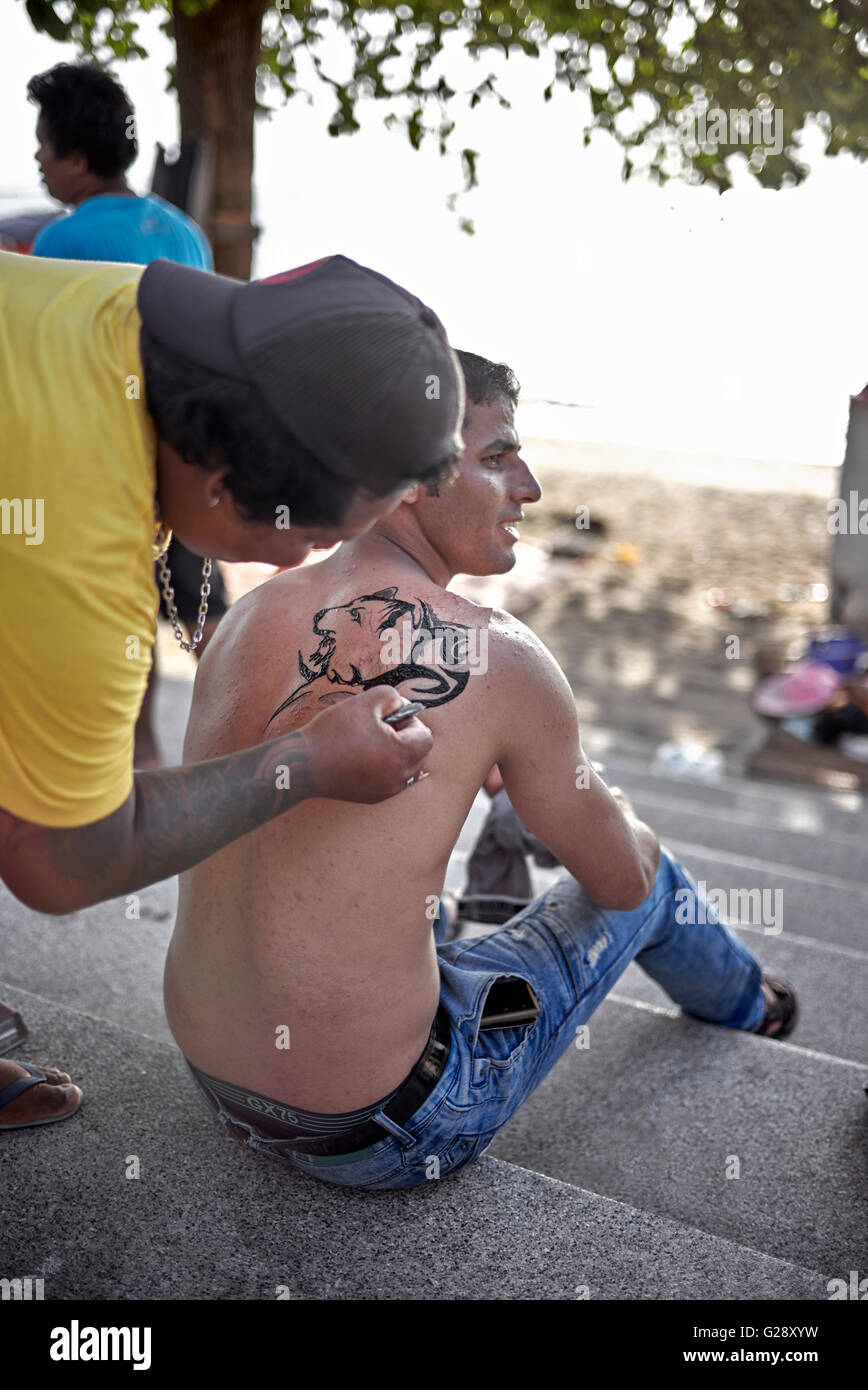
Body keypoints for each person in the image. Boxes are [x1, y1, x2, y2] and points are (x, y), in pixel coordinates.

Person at [163, 350, 797, 1189]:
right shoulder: (499, 656)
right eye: (497, 457)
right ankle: (756, 1008)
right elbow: (619, 882)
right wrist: (614, 813)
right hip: (383, 1132)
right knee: (652, 864)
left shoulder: (250, 616)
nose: (529, 486)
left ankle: (488, 909)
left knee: (444, 880)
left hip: (217, 1083)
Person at [0, 248, 464, 1130]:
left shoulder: (110, 302)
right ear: (223, 482)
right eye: (313, 537)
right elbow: (60, 864)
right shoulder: (76, 551)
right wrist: (308, 761)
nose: (303, 564)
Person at [26, 59, 230, 769]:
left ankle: (137, 755)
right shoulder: (182, 232)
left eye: (44, 148)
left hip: (111, 468)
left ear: (77, 158)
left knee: (128, 614)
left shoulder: (60, 244)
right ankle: (254, 727)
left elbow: (54, 375)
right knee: (206, 616)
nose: (38, 162)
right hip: (189, 457)